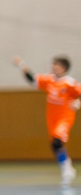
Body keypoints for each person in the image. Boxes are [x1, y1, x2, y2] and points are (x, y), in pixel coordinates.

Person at [13, 54, 79, 187]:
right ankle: (67, 167)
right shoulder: (49, 80)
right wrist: (21, 65)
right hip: (51, 118)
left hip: (64, 117)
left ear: (63, 68)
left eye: (56, 65)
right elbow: (33, 79)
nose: (53, 67)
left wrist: (78, 102)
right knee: (54, 145)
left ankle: (66, 168)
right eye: (53, 64)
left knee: (57, 140)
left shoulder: (69, 83)